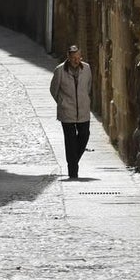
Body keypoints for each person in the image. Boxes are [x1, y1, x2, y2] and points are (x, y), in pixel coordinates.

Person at [49, 45, 93, 179]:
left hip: (83, 110)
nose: (76, 60)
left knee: (84, 135)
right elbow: (54, 90)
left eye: (78, 57)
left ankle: (73, 161)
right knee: (70, 141)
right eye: (73, 58)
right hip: (67, 112)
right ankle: (73, 171)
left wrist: (84, 99)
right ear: (68, 57)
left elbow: (88, 86)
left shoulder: (86, 68)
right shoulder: (60, 71)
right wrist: (62, 103)